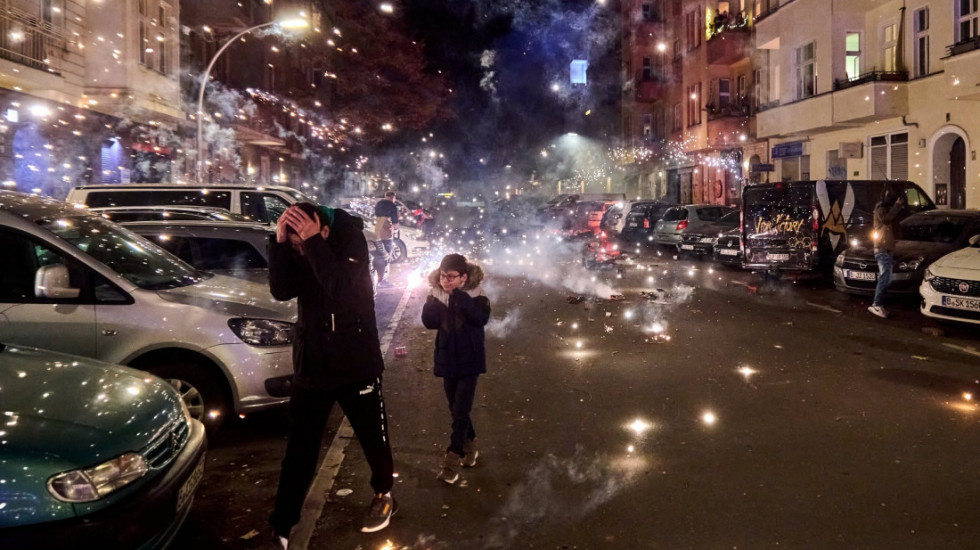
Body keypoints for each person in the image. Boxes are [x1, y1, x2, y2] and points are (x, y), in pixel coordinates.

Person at [268, 202, 396, 548]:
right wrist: (279, 245)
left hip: (357, 363)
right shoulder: (300, 247)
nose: (299, 250)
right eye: (295, 246)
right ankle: (283, 521)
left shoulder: (352, 241)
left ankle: (384, 492)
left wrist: (313, 244)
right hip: (313, 365)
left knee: (373, 438)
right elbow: (281, 290)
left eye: (303, 242)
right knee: (300, 447)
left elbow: (341, 289)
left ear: (324, 230)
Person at [421, 253, 491, 484]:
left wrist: (461, 299)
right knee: (455, 408)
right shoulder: (436, 295)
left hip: (470, 360)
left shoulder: (477, 296)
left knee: (461, 410)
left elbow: (481, 319)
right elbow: (429, 323)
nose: (446, 281)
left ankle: (451, 460)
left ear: (464, 277)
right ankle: (470, 445)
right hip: (447, 359)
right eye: (443, 276)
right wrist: (432, 304)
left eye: (451, 277)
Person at [868, 188, 905, 319]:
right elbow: (886, 219)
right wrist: (897, 205)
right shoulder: (880, 208)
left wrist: (898, 206)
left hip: (887, 248)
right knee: (885, 277)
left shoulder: (886, 208)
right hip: (882, 248)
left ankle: (878, 303)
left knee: (886, 278)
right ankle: (876, 304)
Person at [374, 192, 399, 285]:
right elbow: (395, 222)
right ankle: (383, 280)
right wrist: (396, 229)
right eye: (394, 198)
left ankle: (376, 278)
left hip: (377, 233)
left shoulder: (379, 204)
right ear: (392, 197)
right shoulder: (392, 205)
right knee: (387, 257)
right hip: (386, 234)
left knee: (378, 256)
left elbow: (375, 215)